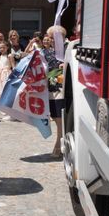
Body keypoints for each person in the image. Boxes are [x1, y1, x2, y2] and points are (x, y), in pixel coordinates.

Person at [45, 25, 67, 158]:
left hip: (62, 88)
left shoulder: (68, 49)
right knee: (55, 117)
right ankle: (60, 143)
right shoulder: (48, 51)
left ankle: (58, 146)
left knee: (59, 119)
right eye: (50, 38)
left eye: (53, 37)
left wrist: (66, 65)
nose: (51, 40)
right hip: (51, 87)